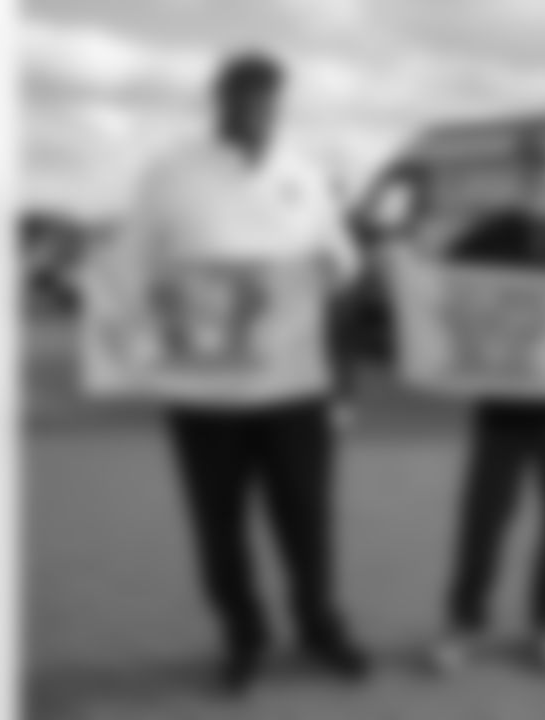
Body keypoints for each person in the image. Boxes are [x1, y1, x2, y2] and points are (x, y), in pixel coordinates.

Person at [97, 51, 370, 695]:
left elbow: (344, 265)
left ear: (280, 104)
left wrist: (341, 274)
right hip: (205, 390)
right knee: (219, 524)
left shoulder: (303, 172)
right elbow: (129, 268)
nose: (254, 112)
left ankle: (319, 626)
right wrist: (125, 334)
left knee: (307, 520)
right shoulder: (169, 175)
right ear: (217, 101)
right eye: (241, 98)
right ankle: (243, 637)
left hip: (294, 388)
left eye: (267, 100)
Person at [426, 136, 545, 677]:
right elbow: (439, 294)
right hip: (501, 414)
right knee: (482, 524)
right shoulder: (486, 236)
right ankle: (464, 624)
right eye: (535, 169)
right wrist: (409, 265)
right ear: (519, 174)